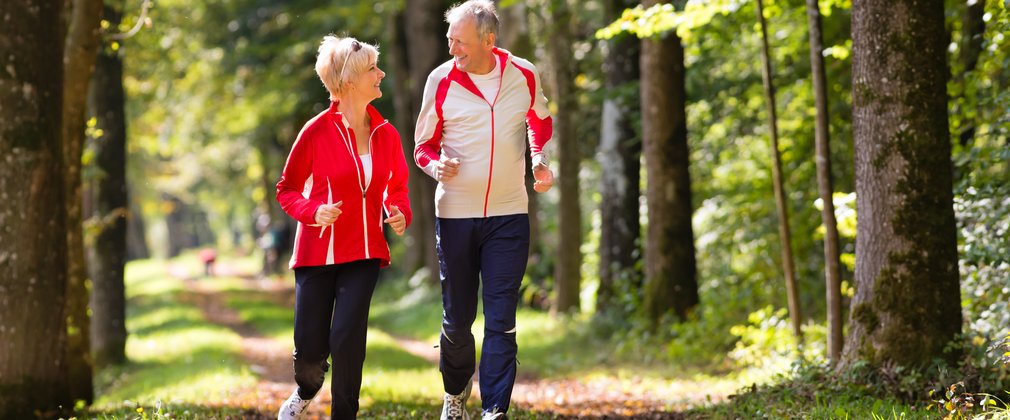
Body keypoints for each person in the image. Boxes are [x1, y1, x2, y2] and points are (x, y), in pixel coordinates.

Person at [413, 1, 555, 419]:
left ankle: (495, 409)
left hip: (510, 216)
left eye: (459, 39)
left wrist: (539, 159)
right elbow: (421, 145)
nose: (451, 46)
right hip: (455, 215)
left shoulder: (523, 73)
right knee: (457, 322)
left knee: (501, 317)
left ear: (488, 41)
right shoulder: (440, 79)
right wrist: (436, 165)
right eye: (449, 38)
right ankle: (455, 393)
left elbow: (540, 120)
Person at [275, 35, 412, 420]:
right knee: (311, 353)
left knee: (348, 339)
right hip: (317, 253)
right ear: (350, 81)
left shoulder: (386, 133)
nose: (381, 73)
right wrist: (313, 211)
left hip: (365, 250)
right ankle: (305, 390)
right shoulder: (316, 131)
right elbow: (286, 189)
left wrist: (399, 212)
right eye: (373, 68)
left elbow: (396, 188)